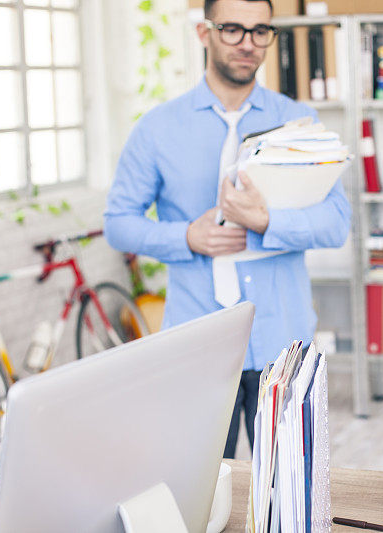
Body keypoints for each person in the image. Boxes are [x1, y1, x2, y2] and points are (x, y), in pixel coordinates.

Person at [104, 0, 351, 459]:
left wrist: (267, 222)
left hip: (283, 344)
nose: (248, 44)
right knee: (200, 491)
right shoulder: (158, 128)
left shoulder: (299, 123)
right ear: (204, 32)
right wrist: (185, 238)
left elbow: (337, 224)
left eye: (261, 32)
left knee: (286, 498)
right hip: (197, 345)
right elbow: (118, 224)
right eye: (233, 29)